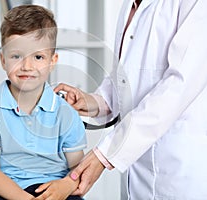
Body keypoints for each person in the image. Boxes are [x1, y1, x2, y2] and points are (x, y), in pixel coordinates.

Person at [54, 0, 207, 199]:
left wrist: (105, 154)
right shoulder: (130, 5)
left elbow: (178, 87)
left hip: (177, 170)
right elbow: (126, 73)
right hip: (135, 171)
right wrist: (94, 102)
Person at [0, 5, 86, 200]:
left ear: (53, 61)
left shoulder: (65, 113)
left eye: (38, 57)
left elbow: (77, 168)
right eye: (16, 56)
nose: (27, 66)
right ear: (3, 60)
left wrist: (66, 186)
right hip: (6, 192)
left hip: (53, 190)